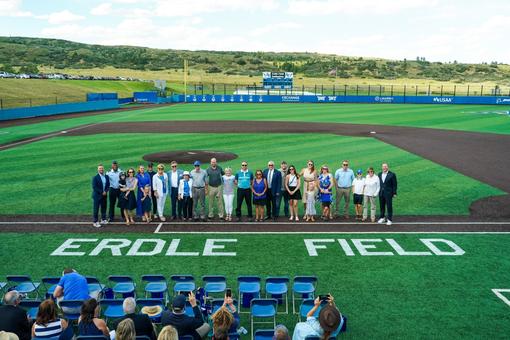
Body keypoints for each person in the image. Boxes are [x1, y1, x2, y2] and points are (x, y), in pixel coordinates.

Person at [92, 163, 110, 228]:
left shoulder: (106, 177)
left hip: (104, 195)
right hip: (97, 196)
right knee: (96, 209)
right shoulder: (95, 177)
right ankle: (95, 221)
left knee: (103, 208)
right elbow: (94, 187)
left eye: (102, 168)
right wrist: (102, 192)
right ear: (98, 170)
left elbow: (108, 185)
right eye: (100, 168)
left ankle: (103, 219)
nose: (101, 169)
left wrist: (106, 191)